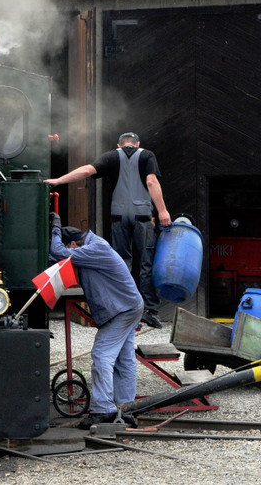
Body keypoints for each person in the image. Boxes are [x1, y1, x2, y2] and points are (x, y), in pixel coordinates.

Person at [45, 131, 170, 328]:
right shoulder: (147, 155)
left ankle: (125, 307)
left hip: (118, 217)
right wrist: (162, 211)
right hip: (143, 217)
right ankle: (150, 311)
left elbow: (87, 170)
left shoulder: (112, 156)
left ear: (119, 145)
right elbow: (151, 181)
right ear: (137, 143)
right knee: (146, 263)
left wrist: (58, 180)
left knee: (122, 262)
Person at [49, 214, 142, 429]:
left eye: (69, 247)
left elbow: (58, 253)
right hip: (128, 305)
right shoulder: (93, 246)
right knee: (124, 359)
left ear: (73, 245)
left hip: (123, 309)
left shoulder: (97, 248)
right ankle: (126, 406)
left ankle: (103, 409)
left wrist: (55, 228)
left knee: (102, 355)